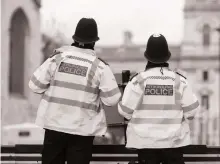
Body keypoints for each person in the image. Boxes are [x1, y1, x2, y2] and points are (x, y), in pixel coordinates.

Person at [29, 18, 121, 164]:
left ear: (74, 38)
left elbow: (34, 85)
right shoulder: (100, 67)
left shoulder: (56, 59)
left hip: (54, 127)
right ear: (94, 41)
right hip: (82, 131)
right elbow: (112, 100)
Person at [118, 34, 200, 164]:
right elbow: (191, 112)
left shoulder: (137, 81)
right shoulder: (179, 80)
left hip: (146, 145)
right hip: (174, 144)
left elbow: (125, 112)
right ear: (167, 56)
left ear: (147, 56)